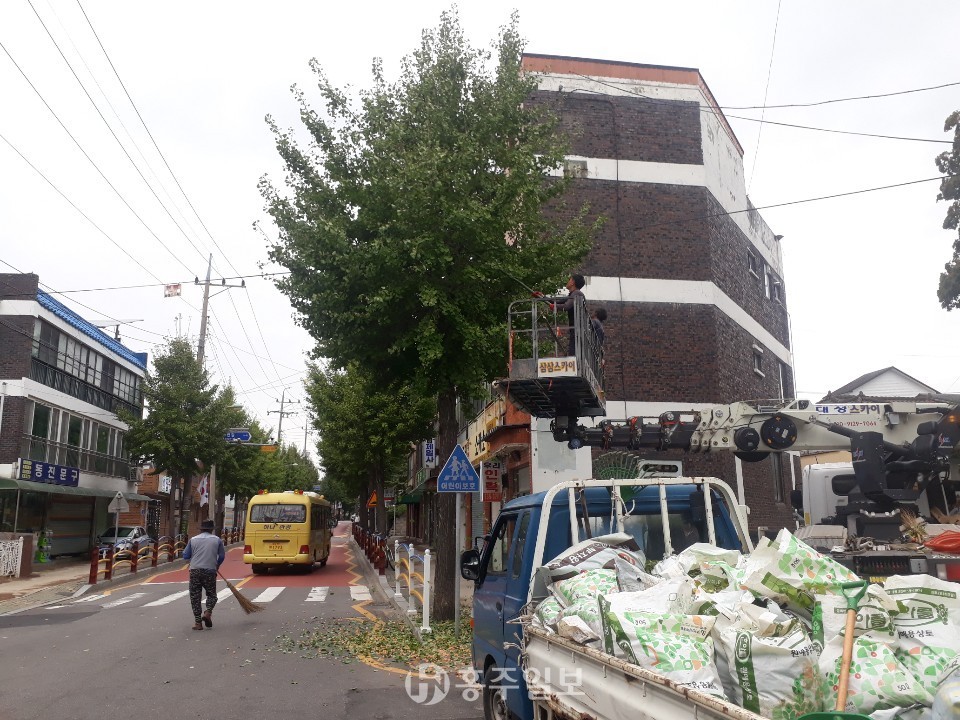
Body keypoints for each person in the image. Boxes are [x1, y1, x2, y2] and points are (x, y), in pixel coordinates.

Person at [183, 519, 225, 630]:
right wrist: (217, 565)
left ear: (201, 529)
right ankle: (208, 613)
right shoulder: (217, 540)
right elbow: (221, 556)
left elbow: (185, 555)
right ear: (211, 530)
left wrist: (192, 561)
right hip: (210, 571)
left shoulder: (193, 540)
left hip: (195, 571)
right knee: (212, 595)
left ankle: (198, 623)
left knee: (195, 597)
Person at [535, 274, 586, 357]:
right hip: (576, 328)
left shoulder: (577, 294)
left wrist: (555, 307)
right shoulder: (573, 294)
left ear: (573, 282)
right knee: (573, 351)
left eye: (569, 279)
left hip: (578, 329)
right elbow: (556, 302)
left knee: (573, 353)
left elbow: (566, 306)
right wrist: (542, 296)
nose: (568, 281)